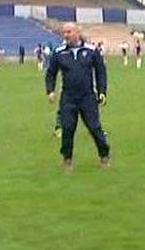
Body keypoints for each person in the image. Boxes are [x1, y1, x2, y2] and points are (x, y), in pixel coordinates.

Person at [45, 23, 110, 170]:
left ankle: (104, 155)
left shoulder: (91, 51)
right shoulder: (59, 52)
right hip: (68, 97)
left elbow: (101, 72)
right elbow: (51, 73)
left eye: (69, 32)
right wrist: (50, 90)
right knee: (67, 128)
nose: (66, 35)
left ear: (77, 33)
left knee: (94, 128)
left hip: (87, 97)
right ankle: (67, 159)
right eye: (64, 32)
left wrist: (102, 91)